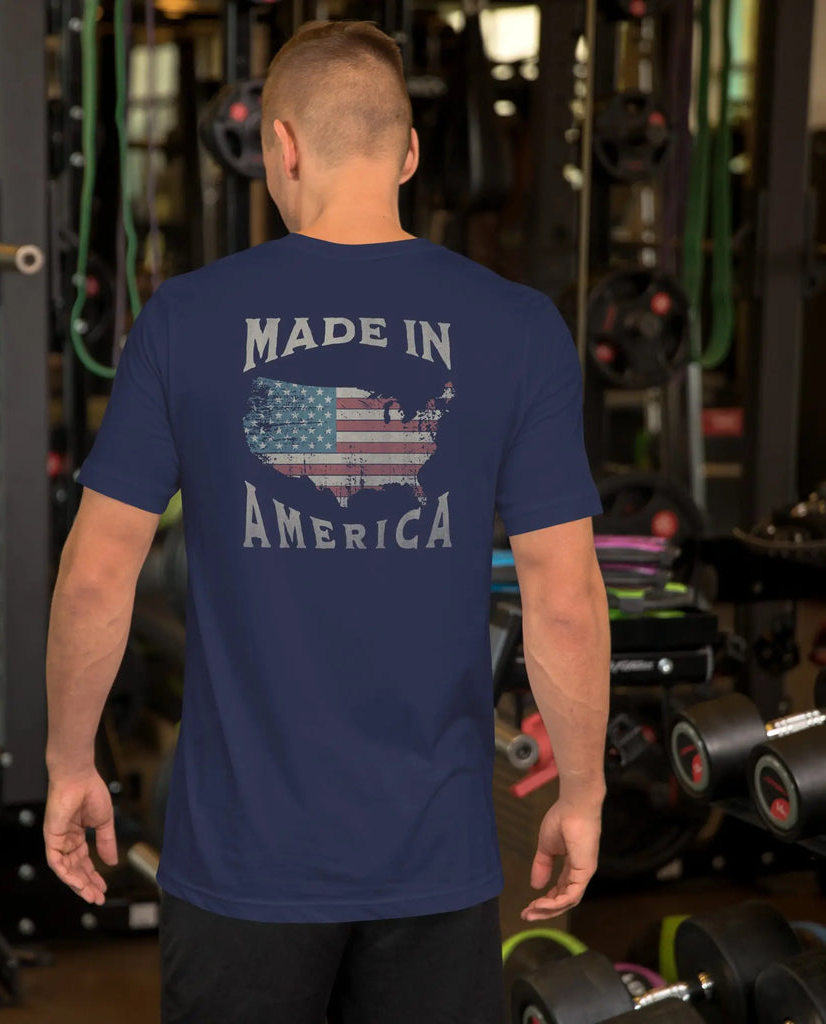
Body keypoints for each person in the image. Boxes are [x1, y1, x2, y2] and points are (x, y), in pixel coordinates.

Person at [44, 20, 610, 1024]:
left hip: (241, 861)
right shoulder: (516, 327)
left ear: (281, 146)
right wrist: (584, 790)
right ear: (410, 152)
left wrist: (70, 764)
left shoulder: (185, 318)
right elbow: (561, 595)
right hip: (434, 858)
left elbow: (95, 577)